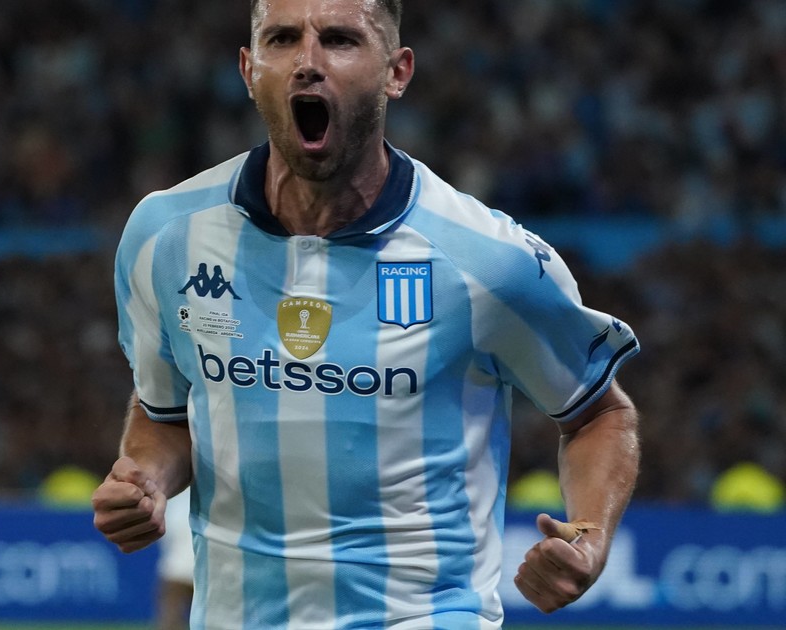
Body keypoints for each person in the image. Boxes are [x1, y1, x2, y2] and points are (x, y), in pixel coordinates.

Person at [92, 0, 642, 627]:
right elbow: (164, 411)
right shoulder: (165, 236)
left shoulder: (489, 262)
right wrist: (145, 481)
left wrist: (590, 536)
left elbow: (600, 412)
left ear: (396, 72)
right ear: (248, 70)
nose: (307, 62)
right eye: (282, 39)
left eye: (339, 39)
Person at [157, 487, 194, 630]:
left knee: (171, 619)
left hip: (176, 568)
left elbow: (164, 532)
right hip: (194, 569)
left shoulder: (173, 498)